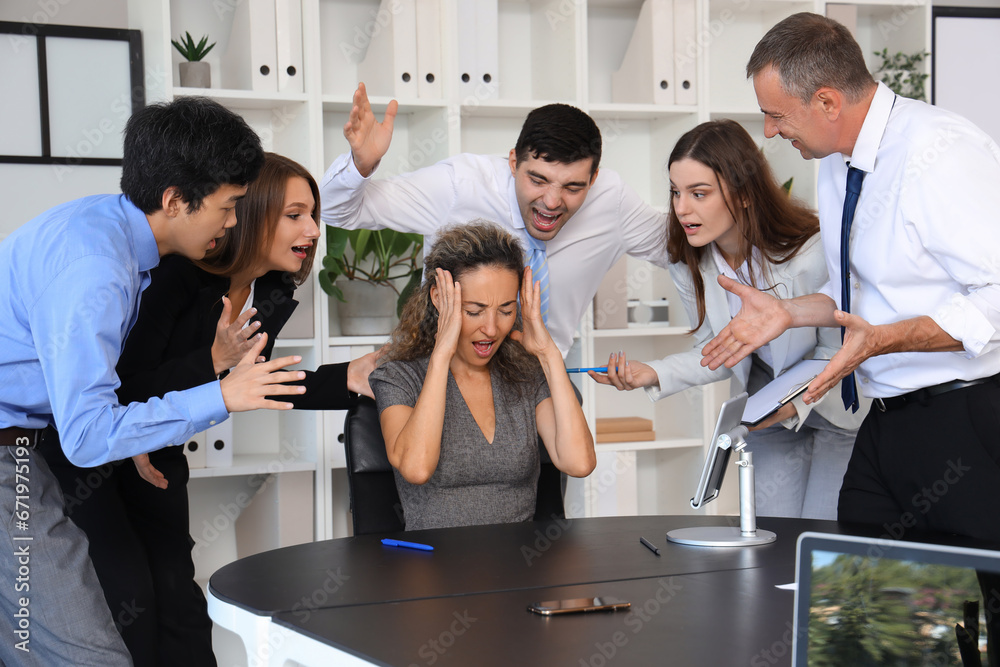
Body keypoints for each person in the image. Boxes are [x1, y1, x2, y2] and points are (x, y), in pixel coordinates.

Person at [0, 98, 310, 665]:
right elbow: (89, 436)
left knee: (28, 646)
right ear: (175, 201)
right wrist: (221, 394)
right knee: (88, 655)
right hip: (17, 455)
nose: (235, 221)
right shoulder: (97, 270)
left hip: (25, 450)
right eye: (229, 205)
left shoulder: (111, 232)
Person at [37, 153, 379, 666]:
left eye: (313, 214)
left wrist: (347, 378)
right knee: (129, 600)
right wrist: (212, 361)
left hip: (158, 457)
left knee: (181, 607)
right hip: (99, 456)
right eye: (295, 214)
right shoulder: (175, 277)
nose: (313, 229)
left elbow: (251, 384)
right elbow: (121, 388)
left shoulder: (272, 292)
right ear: (251, 211)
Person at [700, 13, 1000, 542]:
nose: (770, 131)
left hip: (964, 417)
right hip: (886, 421)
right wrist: (789, 312)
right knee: (853, 598)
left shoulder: (941, 152)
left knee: (970, 602)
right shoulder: (837, 159)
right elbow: (861, 294)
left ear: (827, 102)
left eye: (776, 115)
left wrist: (883, 340)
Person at [588, 120, 867, 519]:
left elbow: (833, 350)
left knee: (820, 542)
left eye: (699, 194)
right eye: (675, 192)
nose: (682, 209)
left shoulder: (811, 253)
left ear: (743, 195)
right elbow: (714, 349)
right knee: (772, 539)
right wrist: (650, 372)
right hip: (764, 406)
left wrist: (790, 405)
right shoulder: (690, 263)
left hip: (836, 408)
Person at [321, 82, 669, 356]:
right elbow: (337, 210)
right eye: (537, 180)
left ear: (593, 180)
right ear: (514, 161)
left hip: (541, 377)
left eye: (573, 187)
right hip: (451, 375)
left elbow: (683, 246)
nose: (551, 202)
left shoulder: (610, 199)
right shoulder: (460, 185)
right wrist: (361, 165)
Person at [368, 221, 596, 530]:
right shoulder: (398, 376)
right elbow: (417, 468)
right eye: (474, 311)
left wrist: (547, 354)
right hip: (435, 568)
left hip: (519, 565)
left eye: (505, 310)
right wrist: (441, 355)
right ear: (439, 299)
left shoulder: (526, 375)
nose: (491, 328)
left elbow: (579, 463)